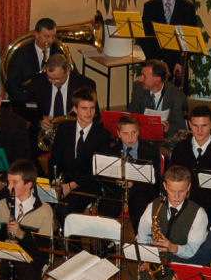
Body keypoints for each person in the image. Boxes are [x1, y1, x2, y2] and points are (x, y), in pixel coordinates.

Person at [49, 88, 113, 218]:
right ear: (75, 109)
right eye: (84, 108)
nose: (89, 113)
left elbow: (97, 170)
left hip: (88, 185)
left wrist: (70, 186)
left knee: (64, 210)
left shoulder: (103, 135)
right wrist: (55, 181)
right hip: (64, 181)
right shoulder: (64, 129)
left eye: (92, 108)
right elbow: (54, 159)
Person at [139, 0, 201, 87]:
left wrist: (180, 62)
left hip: (178, 64)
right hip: (155, 64)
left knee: (177, 96)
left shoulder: (188, 8)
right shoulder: (150, 7)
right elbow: (145, 38)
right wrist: (158, 63)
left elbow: (191, 40)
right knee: (154, 95)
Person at [169, 105, 211, 223]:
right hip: (182, 202)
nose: (199, 131)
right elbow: (171, 175)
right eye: (195, 126)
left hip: (210, 206)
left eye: (204, 126)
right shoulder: (180, 148)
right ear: (189, 124)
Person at [29, 54, 97, 153]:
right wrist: (40, 119)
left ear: (68, 71)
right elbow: (29, 108)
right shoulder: (38, 81)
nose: (53, 82)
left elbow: (95, 115)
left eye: (57, 79)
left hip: (73, 130)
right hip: (46, 133)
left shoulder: (85, 84)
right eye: (50, 78)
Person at [109, 115, 161, 225]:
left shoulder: (151, 151)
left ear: (139, 131)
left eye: (134, 132)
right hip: (117, 190)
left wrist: (134, 183)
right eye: (125, 133)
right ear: (118, 133)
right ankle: (107, 235)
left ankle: (140, 234)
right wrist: (116, 180)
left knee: (139, 210)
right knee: (107, 209)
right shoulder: (111, 149)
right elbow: (105, 177)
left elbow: (156, 180)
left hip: (142, 191)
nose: (130, 137)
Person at [126, 58, 187, 144]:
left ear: (157, 79)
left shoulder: (176, 95)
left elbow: (181, 126)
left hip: (165, 139)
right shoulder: (138, 88)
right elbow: (132, 113)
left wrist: (168, 128)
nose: (141, 79)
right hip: (143, 137)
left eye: (144, 76)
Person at [5, 17, 62, 106]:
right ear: (36, 34)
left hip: (54, 102)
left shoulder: (59, 51)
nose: (50, 40)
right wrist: (27, 101)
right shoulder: (21, 54)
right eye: (46, 36)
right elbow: (11, 84)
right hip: (27, 101)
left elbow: (71, 76)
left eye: (53, 36)